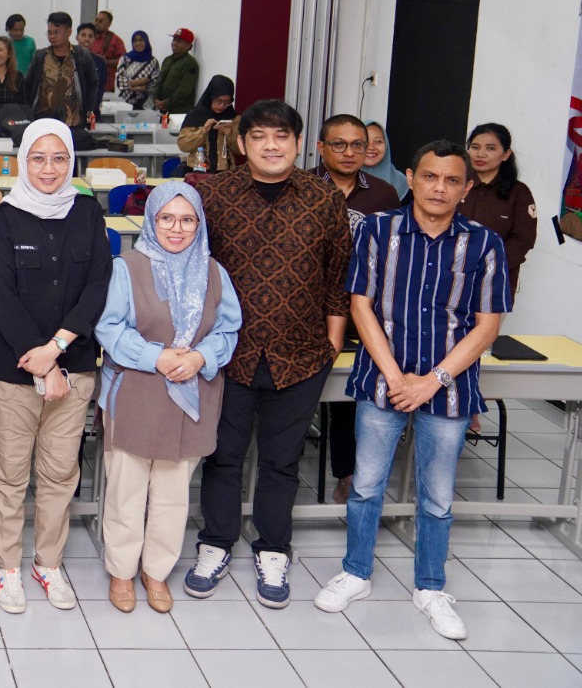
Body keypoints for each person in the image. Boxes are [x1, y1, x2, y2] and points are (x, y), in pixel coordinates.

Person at [313, 140, 511, 642]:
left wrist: (433, 380)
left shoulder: (486, 243)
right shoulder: (378, 231)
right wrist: (398, 376)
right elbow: (361, 306)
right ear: (410, 178)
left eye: (451, 180)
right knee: (365, 485)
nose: (439, 188)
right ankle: (356, 573)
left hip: (448, 389)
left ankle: (430, 587)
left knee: (438, 496)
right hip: (383, 382)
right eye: (429, 177)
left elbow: (487, 326)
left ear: (466, 188)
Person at [184, 100, 350, 609]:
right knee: (223, 456)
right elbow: (186, 266)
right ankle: (215, 543)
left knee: (282, 461)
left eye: (282, 136)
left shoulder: (324, 201)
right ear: (242, 144)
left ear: (299, 145)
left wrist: (332, 340)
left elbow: (339, 273)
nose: (272, 145)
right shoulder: (210, 195)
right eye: (259, 137)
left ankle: (274, 548)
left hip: (301, 354)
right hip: (226, 352)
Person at [0, 119, 110, 615]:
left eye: (59, 158)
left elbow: (97, 286)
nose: (49, 168)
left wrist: (56, 350)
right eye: (38, 157)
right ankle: (8, 568)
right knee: (11, 473)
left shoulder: (87, 211)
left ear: (72, 161)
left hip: (73, 365)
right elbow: (2, 295)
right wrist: (41, 362)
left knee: (59, 473)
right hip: (15, 367)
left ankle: (48, 563)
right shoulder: (4, 216)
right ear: (21, 162)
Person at [95, 183, 241, 614]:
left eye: (187, 220)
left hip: (193, 392)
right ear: (151, 220)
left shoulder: (215, 272)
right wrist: (156, 358)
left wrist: (200, 357)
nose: (177, 229)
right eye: (167, 218)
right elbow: (110, 327)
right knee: (127, 488)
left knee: (174, 492)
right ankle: (122, 569)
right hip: (138, 390)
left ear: (200, 224)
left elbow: (228, 330)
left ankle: (155, 570)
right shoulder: (128, 267)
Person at [312, 113, 403, 503]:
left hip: (362, 308)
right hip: (307, 307)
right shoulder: (301, 186)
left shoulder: (384, 194)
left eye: (357, 145)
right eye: (339, 144)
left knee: (349, 392)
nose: (349, 153)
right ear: (321, 147)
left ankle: (347, 473)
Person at [460, 122, 538, 290]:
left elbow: (523, 240)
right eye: (475, 147)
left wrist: (487, 267)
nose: (481, 154)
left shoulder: (519, 193)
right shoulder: (455, 184)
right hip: (449, 275)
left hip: (494, 283)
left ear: (505, 154)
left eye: (490, 148)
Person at [23, 12, 96, 129]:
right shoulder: (40, 56)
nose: (52, 36)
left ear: (69, 32)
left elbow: (92, 87)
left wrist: (89, 119)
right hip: (42, 121)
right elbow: (28, 85)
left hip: (73, 122)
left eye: (56, 32)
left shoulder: (81, 55)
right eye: (50, 32)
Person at [176, 75, 239, 173]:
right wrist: (203, 131)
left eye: (227, 102)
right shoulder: (195, 115)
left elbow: (241, 149)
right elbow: (183, 146)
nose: (222, 105)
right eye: (219, 101)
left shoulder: (234, 118)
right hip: (197, 170)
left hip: (225, 172)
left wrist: (230, 134)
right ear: (211, 96)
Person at [153, 28, 200, 115]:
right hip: (164, 111)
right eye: (174, 39)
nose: (174, 43)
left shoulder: (190, 64)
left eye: (179, 41)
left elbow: (184, 91)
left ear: (188, 45)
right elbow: (159, 82)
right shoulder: (167, 60)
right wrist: (155, 99)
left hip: (179, 112)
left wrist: (166, 103)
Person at [115, 31, 159, 111]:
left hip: (146, 105)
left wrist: (131, 85)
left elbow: (154, 85)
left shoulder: (153, 61)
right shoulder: (125, 59)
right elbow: (119, 81)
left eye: (141, 40)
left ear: (146, 42)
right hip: (125, 103)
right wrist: (141, 82)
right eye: (135, 41)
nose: (138, 43)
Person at [363, 121, 408, 199]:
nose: (371, 147)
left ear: (386, 144)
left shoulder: (401, 182)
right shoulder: (343, 178)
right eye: (365, 142)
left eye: (378, 142)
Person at [92, 11, 126, 92]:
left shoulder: (115, 40)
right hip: (90, 85)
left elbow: (124, 62)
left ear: (109, 24)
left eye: (101, 21)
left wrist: (106, 61)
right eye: (96, 20)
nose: (97, 23)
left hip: (107, 87)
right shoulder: (90, 38)